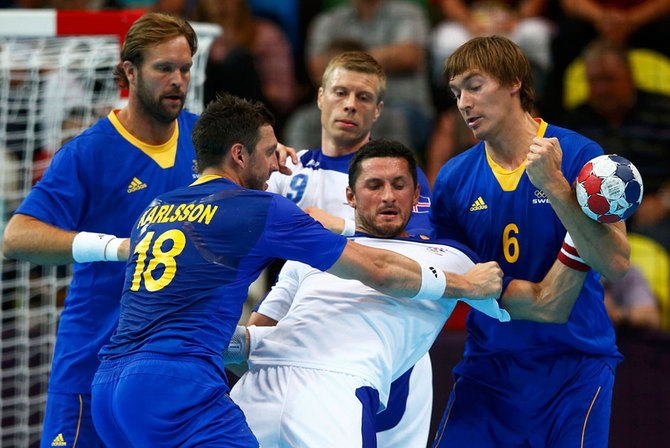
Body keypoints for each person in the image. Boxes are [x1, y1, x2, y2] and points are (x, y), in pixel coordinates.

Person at [89, 93, 503, 447]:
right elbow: (377, 268)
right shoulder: (259, 209)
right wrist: (467, 284)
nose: (279, 165)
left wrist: (250, 345)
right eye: (271, 152)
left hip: (108, 385)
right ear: (239, 154)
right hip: (176, 382)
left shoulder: (156, 208)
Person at [228, 138, 590, 447]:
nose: (388, 196)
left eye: (399, 185)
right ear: (350, 196)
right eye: (374, 186)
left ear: (416, 194)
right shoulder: (317, 253)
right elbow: (256, 338)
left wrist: (582, 232)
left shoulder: (450, 256)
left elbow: (546, 305)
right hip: (258, 386)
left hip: (336, 394)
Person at [1, 13, 200, 448]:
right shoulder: (88, 152)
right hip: (91, 368)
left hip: (171, 372)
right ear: (130, 71)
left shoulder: (204, 139)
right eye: (164, 68)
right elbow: (16, 236)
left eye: (185, 69)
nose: (178, 80)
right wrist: (114, 247)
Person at [430, 36, 631, 447]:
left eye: (474, 86)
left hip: (576, 366)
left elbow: (615, 264)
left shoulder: (579, 153)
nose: (464, 103)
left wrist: (555, 186)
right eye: (456, 93)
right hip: (489, 368)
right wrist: (535, 299)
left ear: (514, 82)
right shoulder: (452, 179)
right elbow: (460, 278)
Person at [266, 50, 433, 446]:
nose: (350, 105)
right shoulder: (286, 172)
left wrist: (339, 226)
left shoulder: (396, 176)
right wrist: (256, 162)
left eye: (364, 97)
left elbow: (420, 249)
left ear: (378, 110)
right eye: (341, 92)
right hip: (297, 342)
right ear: (320, 96)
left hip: (386, 345)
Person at [559, 39, 670, 252]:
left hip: (656, 213)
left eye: (608, 79)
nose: (601, 89)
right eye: (594, 81)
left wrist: (664, 201)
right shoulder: (574, 122)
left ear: (629, 76)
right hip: (593, 218)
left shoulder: (663, 110)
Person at [305, 0, 434, 152]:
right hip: (339, 105)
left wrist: (343, 59)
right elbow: (317, 70)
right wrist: (385, 56)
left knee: (389, 120)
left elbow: (409, 56)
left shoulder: (407, 13)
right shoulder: (328, 21)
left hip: (401, 105)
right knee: (304, 121)